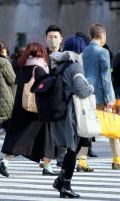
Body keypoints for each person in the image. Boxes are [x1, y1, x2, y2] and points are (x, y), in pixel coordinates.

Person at [0, 42, 57, 178]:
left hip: (20, 107)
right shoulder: (39, 68)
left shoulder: (23, 67)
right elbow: (46, 86)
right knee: (47, 136)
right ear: (41, 53)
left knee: (20, 135)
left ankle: (5, 161)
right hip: (36, 109)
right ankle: (47, 166)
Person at [83, 23, 120, 169]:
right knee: (112, 126)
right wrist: (110, 98)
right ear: (102, 36)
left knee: (86, 128)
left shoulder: (84, 51)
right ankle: (117, 159)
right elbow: (105, 77)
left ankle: (81, 160)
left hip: (86, 94)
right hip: (101, 96)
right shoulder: (102, 52)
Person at [50, 44, 94, 198]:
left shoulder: (57, 65)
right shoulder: (75, 67)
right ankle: (66, 185)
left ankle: (61, 180)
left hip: (58, 113)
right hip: (71, 115)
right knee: (72, 151)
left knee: (70, 150)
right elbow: (81, 90)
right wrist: (91, 88)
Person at [45, 25, 67, 166]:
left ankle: (61, 157)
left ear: (61, 39)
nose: (53, 40)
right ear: (45, 39)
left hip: (62, 99)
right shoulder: (42, 57)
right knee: (47, 130)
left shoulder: (66, 56)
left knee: (62, 128)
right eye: (50, 37)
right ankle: (47, 158)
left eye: (55, 37)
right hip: (45, 99)